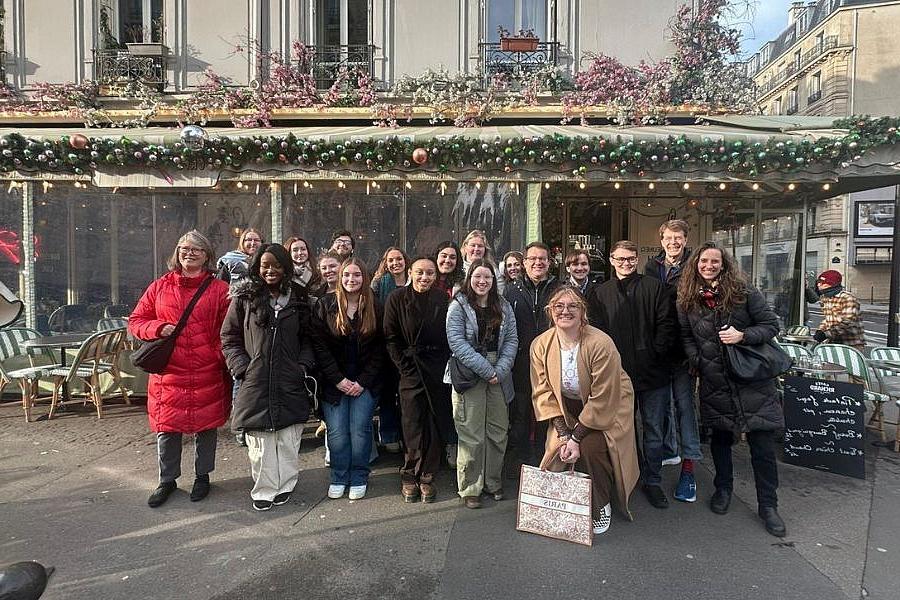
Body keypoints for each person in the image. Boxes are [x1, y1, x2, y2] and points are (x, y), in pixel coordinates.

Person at [677, 241, 787, 538]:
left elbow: (770, 325)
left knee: (762, 446)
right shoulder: (687, 299)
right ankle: (723, 489)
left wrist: (743, 335)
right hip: (715, 381)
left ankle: (768, 505)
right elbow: (686, 335)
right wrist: (697, 360)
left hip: (752, 380)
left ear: (724, 264)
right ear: (695, 266)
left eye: (714, 261)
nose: (709, 266)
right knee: (721, 440)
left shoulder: (744, 293)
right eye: (703, 262)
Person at [129, 230, 231, 508]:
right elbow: (136, 321)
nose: (189, 253)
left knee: (206, 428)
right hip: (169, 372)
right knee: (167, 428)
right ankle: (167, 479)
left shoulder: (219, 290)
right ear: (176, 253)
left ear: (207, 255)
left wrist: (215, 355)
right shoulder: (159, 287)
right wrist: (159, 328)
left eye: (196, 249)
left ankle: (202, 476)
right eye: (184, 248)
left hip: (206, 369)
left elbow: (228, 330)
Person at [531, 286, 640, 535]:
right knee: (560, 449)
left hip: (611, 404)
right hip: (567, 407)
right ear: (550, 311)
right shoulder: (540, 344)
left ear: (583, 312)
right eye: (558, 306)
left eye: (572, 306)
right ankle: (569, 499)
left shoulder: (601, 343)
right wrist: (564, 433)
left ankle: (602, 503)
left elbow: (602, 398)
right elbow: (543, 392)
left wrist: (577, 436)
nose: (565, 311)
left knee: (591, 448)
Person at [221, 244, 314, 511]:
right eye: (265, 265)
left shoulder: (298, 297)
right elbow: (229, 337)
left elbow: (308, 338)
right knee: (260, 444)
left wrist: (303, 366)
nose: (271, 270)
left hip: (290, 380)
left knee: (287, 439)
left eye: (276, 265)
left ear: (285, 267)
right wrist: (242, 368)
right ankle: (264, 488)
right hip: (256, 381)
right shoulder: (245, 297)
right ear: (257, 268)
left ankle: (286, 483)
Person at [587, 240, 678, 509]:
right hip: (616, 375)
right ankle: (624, 476)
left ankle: (652, 480)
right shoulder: (600, 293)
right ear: (611, 260)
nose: (625, 263)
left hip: (653, 373)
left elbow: (666, 327)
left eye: (630, 259)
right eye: (620, 259)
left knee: (653, 430)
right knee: (621, 431)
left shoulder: (656, 288)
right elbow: (597, 334)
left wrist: (654, 357)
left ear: (637, 260)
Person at [445, 259, 518, 508]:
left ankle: (493, 482)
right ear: (470, 278)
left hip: (500, 372)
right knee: (471, 432)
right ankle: (470, 487)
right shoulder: (458, 305)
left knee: (498, 431)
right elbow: (456, 343)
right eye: (478, 276)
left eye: (487, 277)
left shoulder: (504, 306)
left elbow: (511, 340)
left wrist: (500, 369)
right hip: (470, 371)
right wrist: (488, 370)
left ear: (494, 280)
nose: (482, 281)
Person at [311, 258, 385, 501]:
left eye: (356, 275)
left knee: (360, 430)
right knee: (337, 432)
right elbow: (319, 347)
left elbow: (380, 349)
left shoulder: (375, 305)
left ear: (364, 278)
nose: (351, 280)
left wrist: (362, 381)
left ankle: (359, 476)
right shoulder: (325, 305)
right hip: (334, 382)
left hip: (364, 382)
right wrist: (338, 380)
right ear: (340, 278)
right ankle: (339, 476)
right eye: (346, 275)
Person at [384, 257, 453, 503]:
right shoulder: (396, 298)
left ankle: (427, 474)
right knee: (412, 423)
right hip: (409, 370)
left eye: (430, 273)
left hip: (435, 369)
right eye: (420, 272)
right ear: (411, 272)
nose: (425, 277)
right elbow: (391, 338)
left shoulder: (441, 299)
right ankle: (409, 473)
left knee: (434, 422)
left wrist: (442, 365)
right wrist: (404, 367)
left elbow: (448, 335)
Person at [644, 219, 703, 492]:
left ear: (685, 239)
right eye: (668, 238)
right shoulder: (652, 267)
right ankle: (662, 459)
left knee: (685, 409)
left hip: (683, 352)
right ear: (661, 240)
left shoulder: (696, 266)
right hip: (658, 351)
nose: (673, 243)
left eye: (678, 237)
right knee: (658, 411)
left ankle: (688, 471)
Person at [504, 241, 560, 476]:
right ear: (524, 263)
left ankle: (542, 462)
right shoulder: (511, 291)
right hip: (520, 364)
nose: (538, 263)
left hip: (551, 363)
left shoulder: (559, 289)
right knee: (520, 414)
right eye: (533, 259)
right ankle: (519, 462)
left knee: (546, 414)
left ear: (549, 262)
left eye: (542, 259)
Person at [810, 269, 866, 351]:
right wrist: (820, 330)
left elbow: (847, 322)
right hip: (833, 342)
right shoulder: (825, 297)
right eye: (818, 282)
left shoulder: (847, 298)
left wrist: (826, 334)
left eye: (822, 282)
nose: (818, 284)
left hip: (851, 344)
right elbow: (828, 318)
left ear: (832, 284)